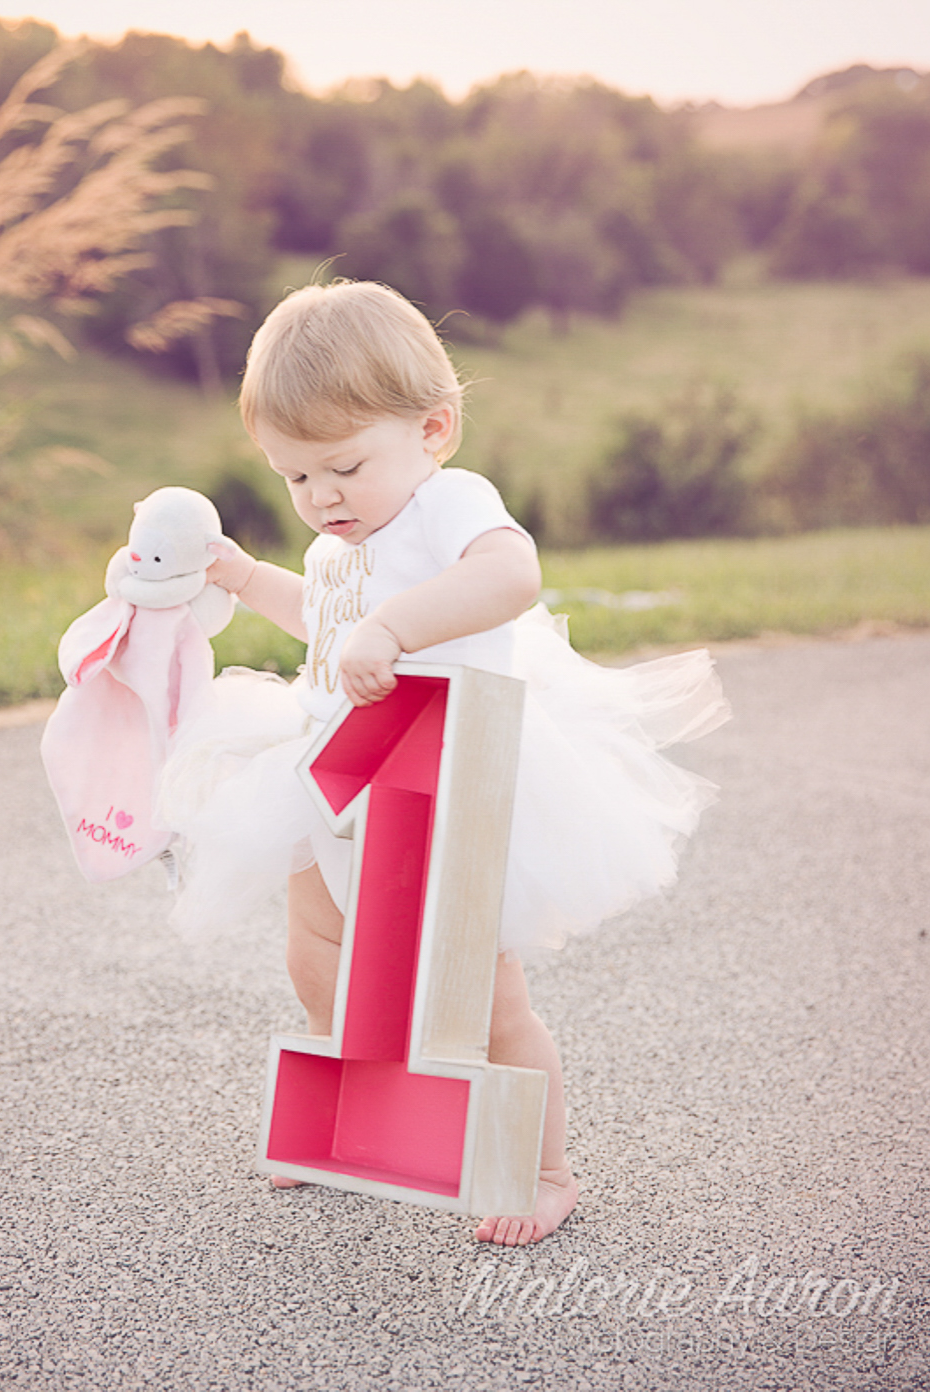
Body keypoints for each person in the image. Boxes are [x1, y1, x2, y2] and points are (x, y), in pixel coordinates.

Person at [160, 280, 724, 1245]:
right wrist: (251, 577)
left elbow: (511, 576)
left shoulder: (446, 503)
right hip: (333, 776)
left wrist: (397, 624)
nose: (320, 497)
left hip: (442, 782)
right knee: (317, 949)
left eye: (340, 466)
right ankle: (362, 1105)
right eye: (294, 478)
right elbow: (330, 624)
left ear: (433, 429)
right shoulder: (346, 540)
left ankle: (542, 1170)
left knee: (481, 991)